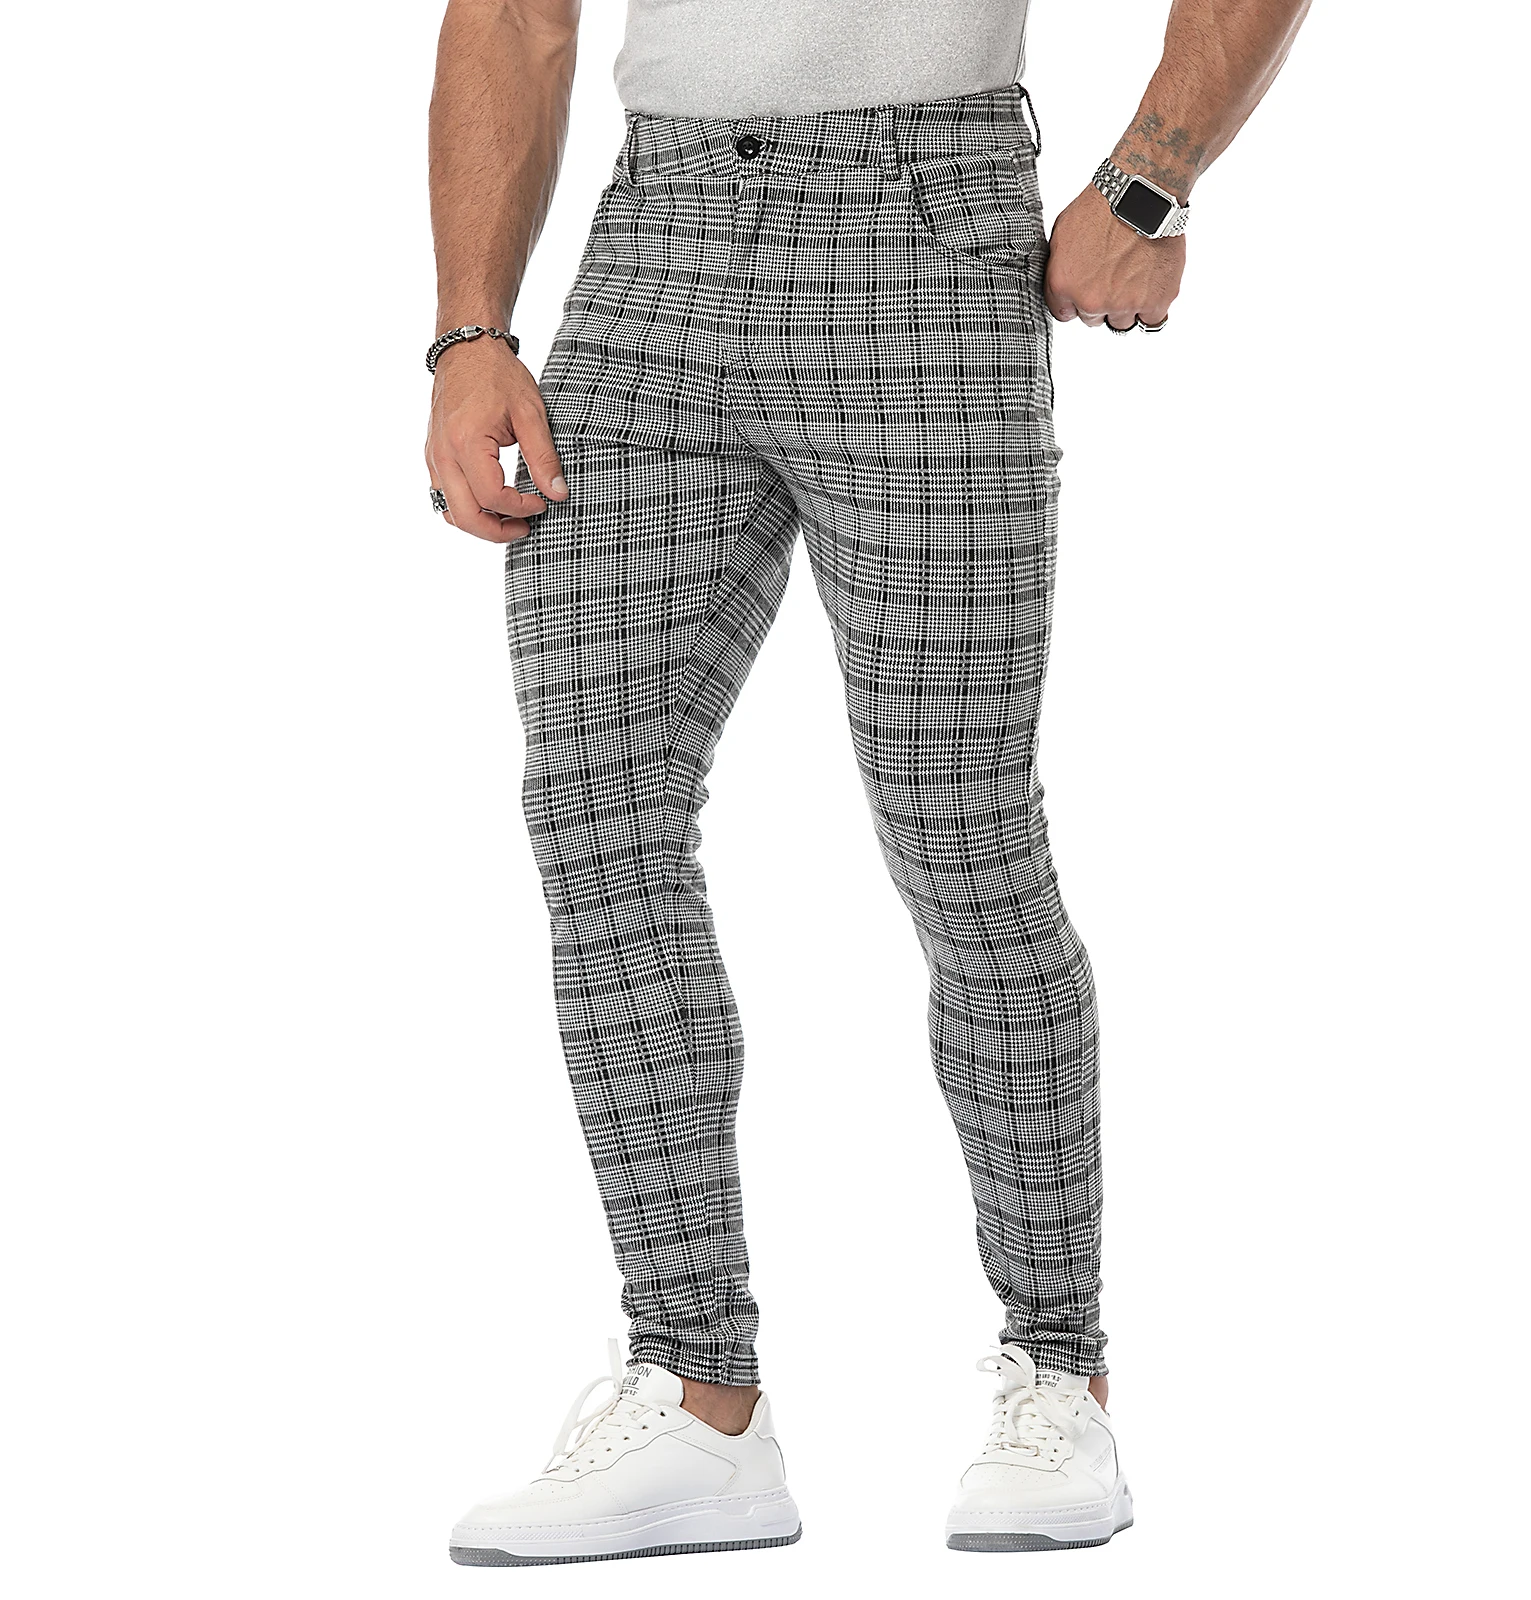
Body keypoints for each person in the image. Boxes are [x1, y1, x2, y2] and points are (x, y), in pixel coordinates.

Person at [427, 0, 1309, 1565]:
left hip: (926, 227)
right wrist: (470, 332)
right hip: (652, 247)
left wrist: (1151, 180)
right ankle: (699, 1399)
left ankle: (1060, 1371)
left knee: (957, 828)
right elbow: (513, 11)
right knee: (594, 814)